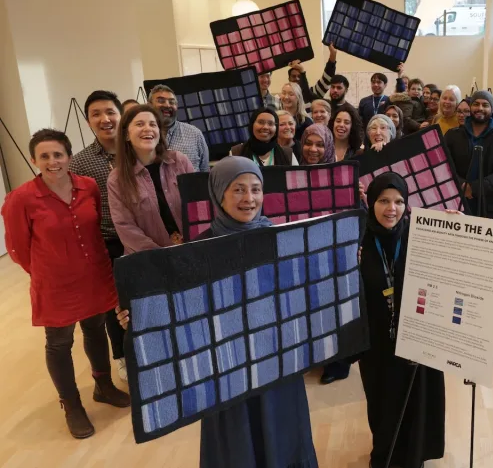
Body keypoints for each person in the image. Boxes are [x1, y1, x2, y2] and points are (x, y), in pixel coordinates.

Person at [116, 157, 320, 468]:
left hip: (278, 363)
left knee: (284, 434)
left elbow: (308, 290)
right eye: (238, 189)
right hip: (227, 371)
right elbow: (178, 310)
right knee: (238, 445)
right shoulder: (199, 252)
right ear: (219, 193)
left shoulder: (282, 240)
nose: (249, 199)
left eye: (255, 189)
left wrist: (346, 257)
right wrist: (138, 318)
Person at [2, 129, 130, 439]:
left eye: (58, 154)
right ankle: (72, 405)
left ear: (69, 157)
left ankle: (103, 384)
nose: (52, 161)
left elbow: (95, 223)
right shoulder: (20, 199)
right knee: (59, 343)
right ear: (34, 160)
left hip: (94, 275)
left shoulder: (87, 187)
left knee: (96, 330)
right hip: (55, 284)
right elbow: (17, 247)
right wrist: (45, 272)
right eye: (44, 156)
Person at [357, 172, 445, 468]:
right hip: (377, 343)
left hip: (416, 336)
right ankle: (383, 455)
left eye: (398, 201)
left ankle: (413, 456)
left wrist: (456, 230)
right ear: (371, 202)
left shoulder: (421, 235)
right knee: (382, 402)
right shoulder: (358, 241)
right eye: (383, 201)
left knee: (416, 400)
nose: (391, 208)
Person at [69, 90, 128, 381]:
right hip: (107, 241)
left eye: (110, 112)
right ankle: (121, 356)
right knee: (113, 303)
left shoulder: (137, 150)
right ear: (89, 121)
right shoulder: (80, 164)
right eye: (96, 114)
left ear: (121, 115)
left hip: (142, 237)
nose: (105, 119)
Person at [107, 104, 194, 254]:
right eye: (140, 124)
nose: (148, 128)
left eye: (153, 124)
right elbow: (126, 227)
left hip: (190, 251)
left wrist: (191, 243)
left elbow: (198, 205)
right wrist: (162, 255)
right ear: (127, 135)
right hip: (149, 261)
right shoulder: (117, 179)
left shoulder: (180, 161)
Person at [444, 90, 493, 220]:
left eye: (485, 105)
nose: (480, 108)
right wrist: (461, 185)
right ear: (471, 107)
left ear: (492, 109)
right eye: (476, 104)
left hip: (490, 207)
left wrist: (474, 188)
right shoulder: (452, 135)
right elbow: (444, 165)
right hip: (456, 202)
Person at [148, 84, 209, 172]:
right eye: (161, 101)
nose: (167, 105)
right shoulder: (145, 135)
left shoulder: (194, 134)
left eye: (172, 102)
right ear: (149, 105)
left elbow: (205, 172)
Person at [230, 107, 297, 166]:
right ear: (252, 125)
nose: (265, 127)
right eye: (261, 122)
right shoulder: (236, 152)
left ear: (276, 128)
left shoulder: (288, 154)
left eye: (270, 123)